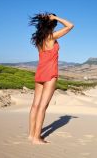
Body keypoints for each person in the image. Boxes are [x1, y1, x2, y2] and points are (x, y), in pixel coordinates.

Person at [28, 12, 74, 144]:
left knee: (35, 106)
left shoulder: (39, 39)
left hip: (40, 73)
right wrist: (56, 18)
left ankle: (31, 135)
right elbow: (70, 25)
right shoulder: (51, 37)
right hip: (50, 74)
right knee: (42, 107)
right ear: (52, 24)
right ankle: (37, 138)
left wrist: (50, 19)